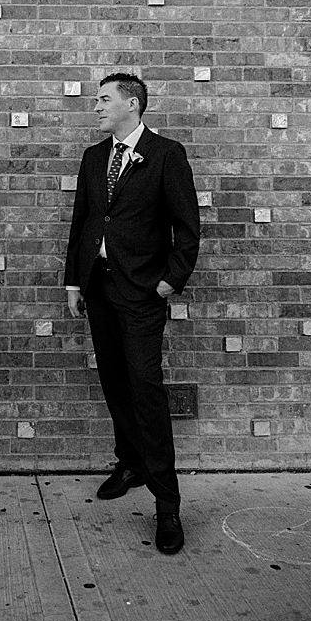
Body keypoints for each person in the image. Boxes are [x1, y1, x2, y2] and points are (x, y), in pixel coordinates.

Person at [66, 73, 200, 555]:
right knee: (114, 381)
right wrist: (74, 281)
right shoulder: (94, 157)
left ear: (133, 104)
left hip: (143, 292)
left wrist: (170, 280)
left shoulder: (167, 155)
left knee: (146, 387)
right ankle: (130, 463)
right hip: (99, 288)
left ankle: (168, 505)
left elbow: (188, 228)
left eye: (104, 99)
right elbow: (83, 221)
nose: (96, 106)